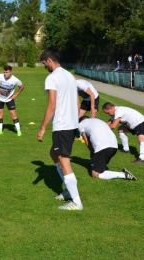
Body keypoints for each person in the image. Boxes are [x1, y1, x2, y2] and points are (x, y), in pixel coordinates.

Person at [37, 46, 83, 210]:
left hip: (62, 125)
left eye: (44, 63)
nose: (45, 67)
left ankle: (76, 202)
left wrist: (42, 128)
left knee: (64, 162)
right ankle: (68, 190)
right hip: (71, 125)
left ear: (49, 60)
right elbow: (78, 103)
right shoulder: (70, 76)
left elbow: (52, 105)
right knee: (53, 153)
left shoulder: (52, 78)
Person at [78, 116, 136, 181]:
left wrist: (92, 152)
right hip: (114, 146)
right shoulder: (99, 120)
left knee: (95, 174)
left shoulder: (81, 124)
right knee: (99, 163)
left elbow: (87, 141)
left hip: (102, 147)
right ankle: (97, 165)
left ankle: (123, 174)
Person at [0, 65, 24, 136]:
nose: (5, 73)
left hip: (9, 99)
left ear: (10, 72)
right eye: (4, 72)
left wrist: (16, 94)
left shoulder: (15, 80)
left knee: (13, 114)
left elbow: (21, 87)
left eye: (7, 72)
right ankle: (0, 131)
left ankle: (18, 131)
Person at [75, 79, 99, 143]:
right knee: (78, 117)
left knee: (93, 118)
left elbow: (92, 95)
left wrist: (92, 108)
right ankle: (81, 136)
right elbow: (77, 102)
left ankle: (94, 136)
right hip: (86, 100)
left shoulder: (79, 84)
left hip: (94, 98)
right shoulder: (71, 87)